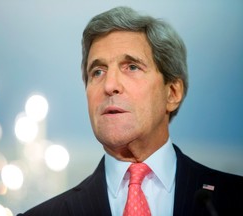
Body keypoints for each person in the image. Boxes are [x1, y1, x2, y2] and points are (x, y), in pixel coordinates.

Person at [18, 6, 243, 216]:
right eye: (97, 72)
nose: (109, 85)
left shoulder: (232, 199)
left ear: (172, 92)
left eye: (132, 67)